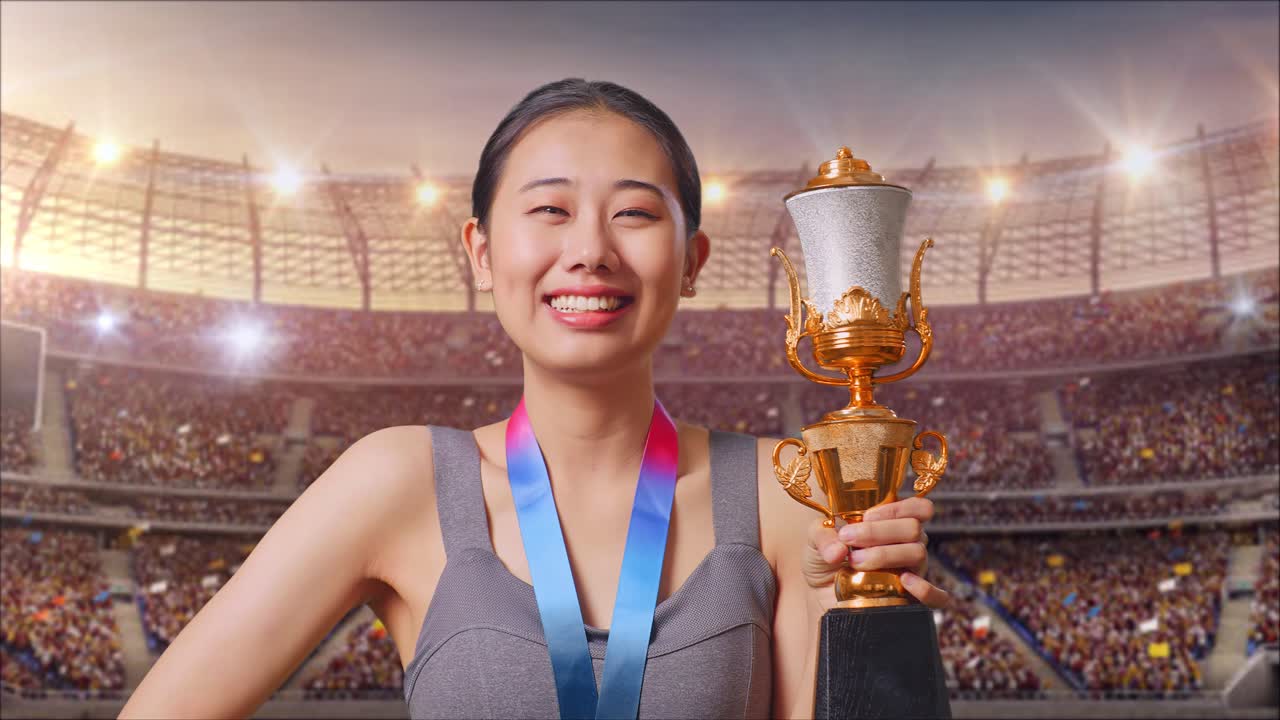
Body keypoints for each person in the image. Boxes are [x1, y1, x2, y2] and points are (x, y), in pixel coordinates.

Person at [118, 78, 946, 719]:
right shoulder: (397, 480)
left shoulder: (792, 487)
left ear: (691, 261)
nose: (589, 249)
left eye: (633, 213)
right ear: (480, 251)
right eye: (549, 209)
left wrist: (864, 622)